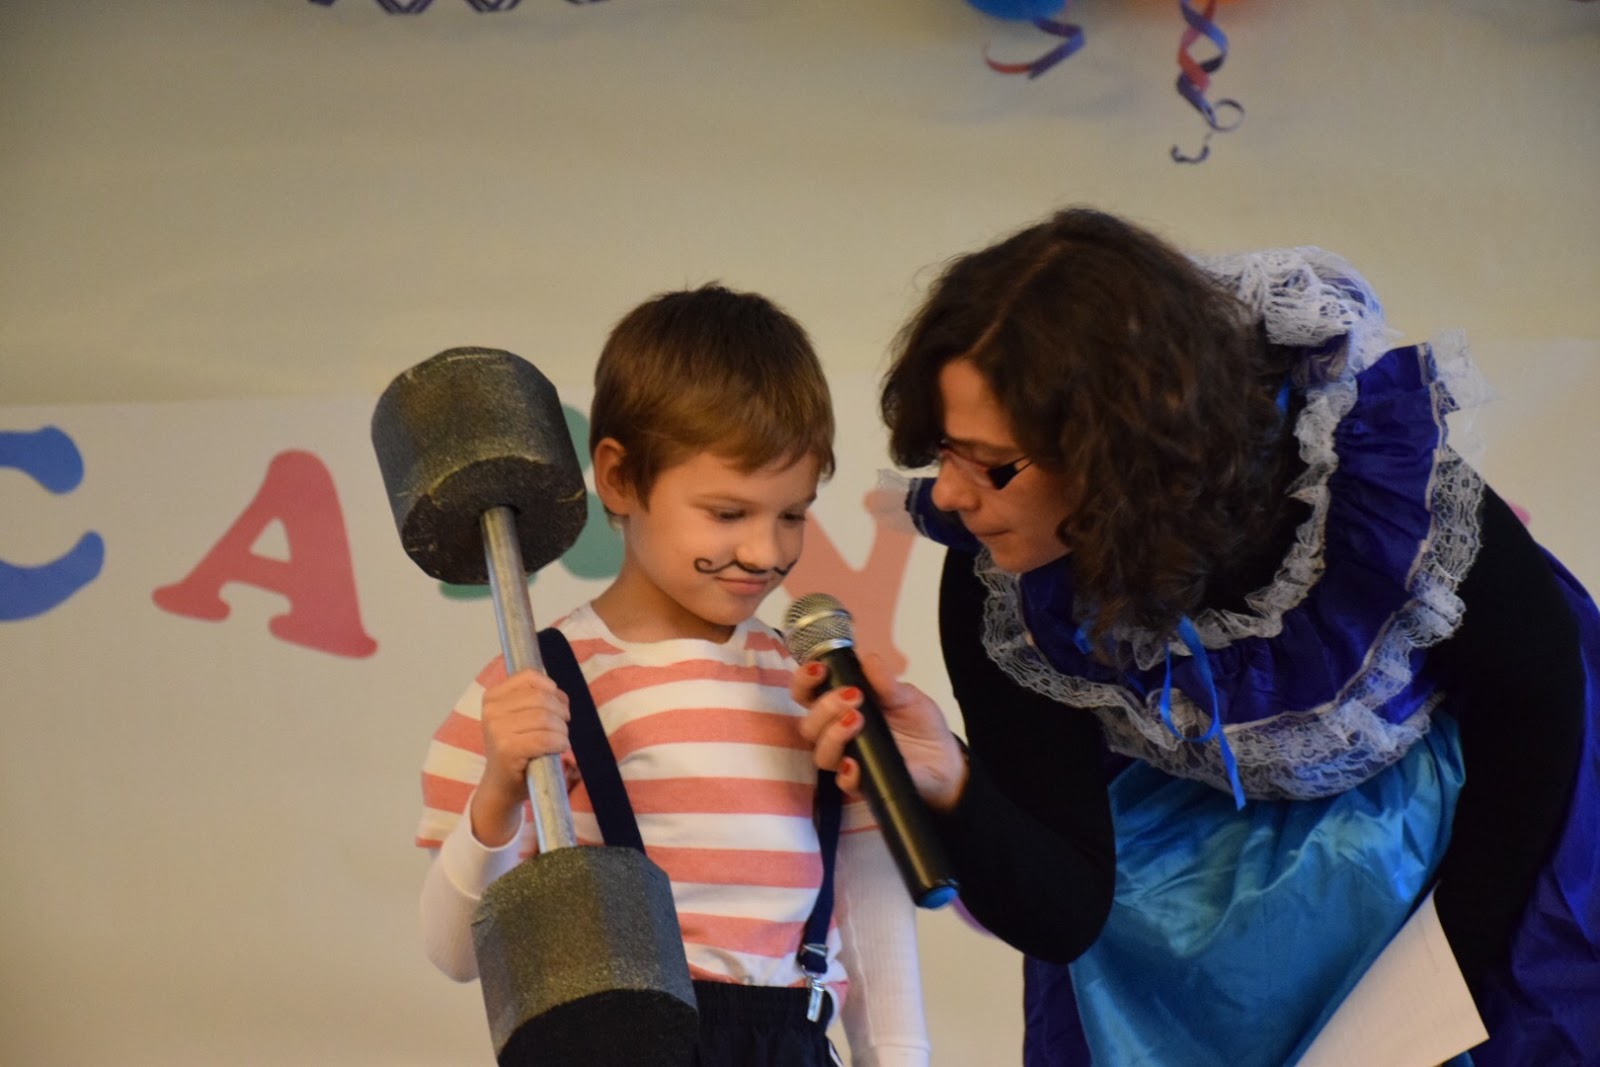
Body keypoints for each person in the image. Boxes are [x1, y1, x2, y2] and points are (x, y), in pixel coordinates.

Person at [795, 208, 1598, 1066]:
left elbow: (1539, 723)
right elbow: (1065, 912)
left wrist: (1428, 1004)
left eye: (992, 463)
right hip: (1194, 907)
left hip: (1454, 862)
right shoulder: (1007, 586)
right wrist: (954, 784)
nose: (951, 497)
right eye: (943, 451)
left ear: (1120, 455)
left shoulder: (1377, 499)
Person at [414, 284, 931, 1067]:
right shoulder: (531, 688)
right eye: (728, 513)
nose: (766, 551)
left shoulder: (809, 686)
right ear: (619, 478)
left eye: (792, 513)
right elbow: (456, 951)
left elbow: (871, 912)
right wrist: (498, 792)